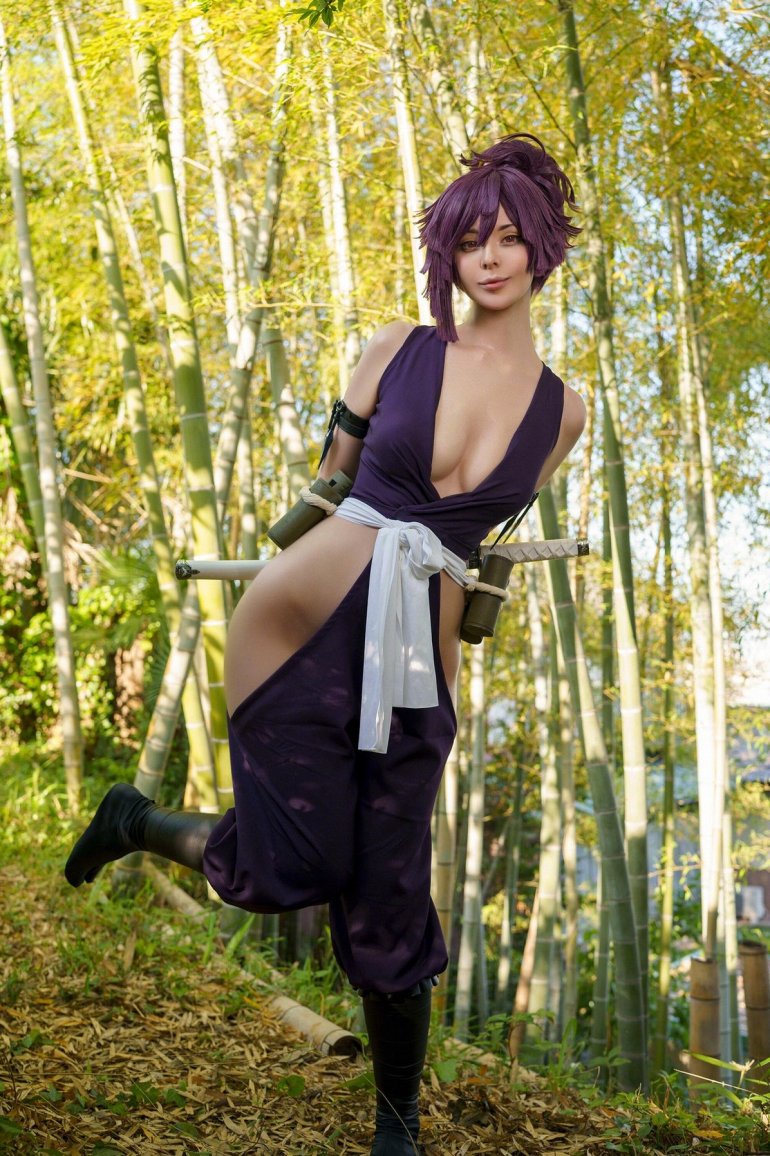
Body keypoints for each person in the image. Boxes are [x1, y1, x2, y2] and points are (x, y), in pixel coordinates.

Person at [66, 132, 585, 1156]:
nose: (487, 258)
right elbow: (330, 483)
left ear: (541, 246)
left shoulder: (564, 413)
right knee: (287, 866)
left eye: (506, 237)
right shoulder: (397, 347)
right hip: (296, 623)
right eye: (467, 240)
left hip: (415, 669)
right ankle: (136, 822)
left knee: (388, 888)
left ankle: (397, 1120)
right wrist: (289, 535)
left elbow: (474, 541)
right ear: (445, 254)